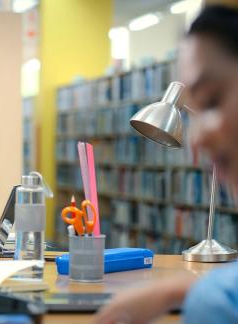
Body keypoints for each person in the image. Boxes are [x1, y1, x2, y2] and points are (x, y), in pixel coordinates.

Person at [95, 5, 238, 324]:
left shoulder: (214, 306)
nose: (197, 140)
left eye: (213, 100)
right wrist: (176, 290)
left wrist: (198, 294)